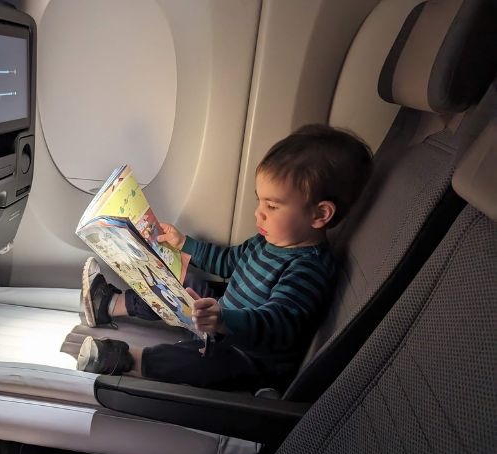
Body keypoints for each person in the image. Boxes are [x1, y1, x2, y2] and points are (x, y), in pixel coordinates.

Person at [77, 124, 373, 390]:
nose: (259, 213)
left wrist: (223, 320)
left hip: (247, 357)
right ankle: (108, 304)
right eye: (260, 201)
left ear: (320, 214)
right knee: (182, 279)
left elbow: (276, 324)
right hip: (221, 322)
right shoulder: (267, 240)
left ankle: (126, 360)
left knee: (200, 363)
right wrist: (185, 244)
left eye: (272, 206)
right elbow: (230, 261)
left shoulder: (308, 269)